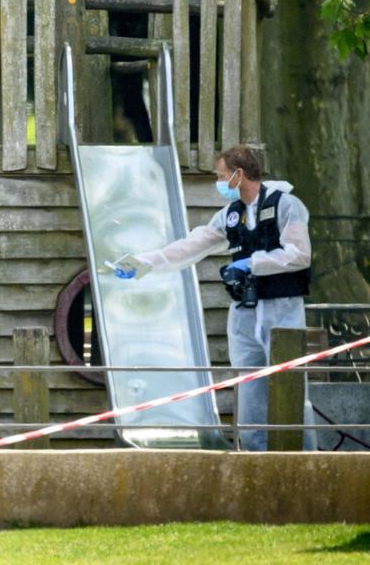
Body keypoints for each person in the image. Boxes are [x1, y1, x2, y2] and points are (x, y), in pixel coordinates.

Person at [112, 146, 316, 451]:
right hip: (245, 310)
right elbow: (192, 245)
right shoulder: (230, 215)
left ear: (239, 174)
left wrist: (253, 263)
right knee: (248, 384)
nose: (219, 183)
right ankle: (253, 451)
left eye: (221, 176)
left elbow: (300, 254)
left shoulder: (287, 205)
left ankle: (305, 455)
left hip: (281, 307)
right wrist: (143, 263)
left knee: (289, 384)